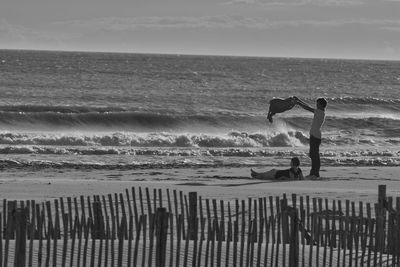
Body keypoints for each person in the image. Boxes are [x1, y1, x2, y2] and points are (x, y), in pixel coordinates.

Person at [293, 96, 327, 179]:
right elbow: (308, 107)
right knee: (313, 155)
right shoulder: (319, 111)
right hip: (315, 135)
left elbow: (307, 108)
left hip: (315, 136)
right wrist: (299, 100)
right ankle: (314, 173)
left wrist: (298, 102)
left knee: (314, 155)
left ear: (321, 105)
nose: (316, 105)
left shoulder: (320, 112)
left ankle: (315, 173)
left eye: (318, 104)